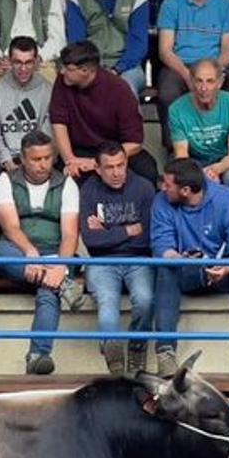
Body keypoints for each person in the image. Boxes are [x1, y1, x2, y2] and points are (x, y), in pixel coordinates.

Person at [150, 157, 229, 380]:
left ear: (186, 190)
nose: (163, 188)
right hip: (184, 269)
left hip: (221, 271)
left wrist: (226, 268)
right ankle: (165, 354)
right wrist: (180, 259)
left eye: (168, 185)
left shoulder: (227, 199)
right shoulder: (161, 201)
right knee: (165, 270)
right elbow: (163, 247)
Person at [0, 130, 80, 376]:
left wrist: (61, 266)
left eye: (48, 158)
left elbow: (70, 234)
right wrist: (30, 252)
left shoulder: (66, 183)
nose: (43, 165)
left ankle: (39, 355)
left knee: (49, 291)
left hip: (54, 252)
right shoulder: (5, 180)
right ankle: (62, 284)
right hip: (17, 251)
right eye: (36, 159)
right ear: (23, 160)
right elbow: (10, 227)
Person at [78, 141, 155, 374]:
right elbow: (91, 241)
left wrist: (108, 232)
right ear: (98, 169)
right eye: (109, 167)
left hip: (138, 258)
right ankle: (114, 360)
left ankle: (137, 348)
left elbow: (147, 237)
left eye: (120, 165)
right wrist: (128, 230)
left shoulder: (144, 187)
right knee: (107, 302)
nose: (116, 172)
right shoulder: (89, 190)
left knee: (144, 300)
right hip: (102, 261)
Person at [154, 0, 229, 148]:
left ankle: (226, 148)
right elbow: (165, 50)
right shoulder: (171, 4)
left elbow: (226, 50)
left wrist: (210, 75)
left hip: (214, 65)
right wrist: (187, 74)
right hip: (180, 64)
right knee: (167, 94)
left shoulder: (225, 5)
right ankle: (175, 149)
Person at [48, 39, 156, 185]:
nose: (62, 72)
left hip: (115, 150)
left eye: (68, 68)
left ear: (86, 70)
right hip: (79, 150)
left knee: (146, 170)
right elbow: (59, 123)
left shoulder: (119, 89)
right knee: (63, 175)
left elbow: (134, 143)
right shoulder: (63, 82)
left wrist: (96, 162)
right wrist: (70, 160)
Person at [64, 0, 149, 96]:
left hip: (128, 67)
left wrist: (117, 69)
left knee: (125, 89)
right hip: (88, 65)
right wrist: (93, 69)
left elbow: (139, 42)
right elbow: (77, 41)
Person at [167, 58, 229, 194]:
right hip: (193, 159)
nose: (204, 88)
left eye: (210, 81)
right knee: (184, 178)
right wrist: (197, 174)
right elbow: (182, 155)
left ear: (220, 83)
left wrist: (215, 169)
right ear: (191, 81)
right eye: (199, 81)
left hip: (224, 159)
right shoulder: (176, 109)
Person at [0, 35, 51, 186]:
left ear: (36, 62)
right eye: (17, 62)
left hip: (37, 156)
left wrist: (32, 161)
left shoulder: (47, 89)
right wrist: (6, 161)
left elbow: (48, 130)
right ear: (9, 61)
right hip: (4, 158)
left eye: (28, 62)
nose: (23, 69)